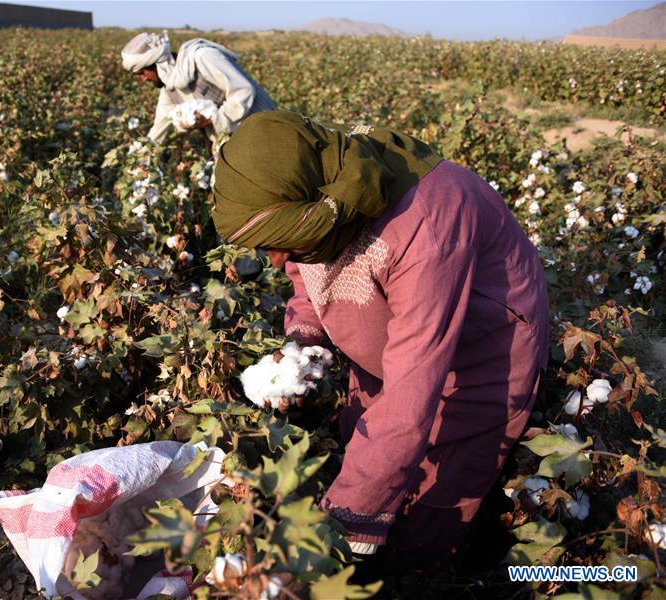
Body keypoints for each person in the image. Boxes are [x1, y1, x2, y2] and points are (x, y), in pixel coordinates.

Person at [212, 111, 549, 573]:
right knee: (365, 442)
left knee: (432, 497)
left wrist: (342, 522)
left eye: (284, 242)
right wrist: (302, 341)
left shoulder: (426, 222)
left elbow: (413, 388)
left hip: (480, 354)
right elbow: (303, 276)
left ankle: (415, 580)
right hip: (395, 341)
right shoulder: (324, 202)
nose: (275, 260)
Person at [120, 32, 276, 145]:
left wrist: (214, 118)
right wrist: (138, 161)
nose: (143, 79)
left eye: (142, 72)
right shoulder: (169, 90)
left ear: (158, 64)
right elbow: (157, 131)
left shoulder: (201, 57)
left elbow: (243, 91)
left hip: (264, 129)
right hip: (234, 143)